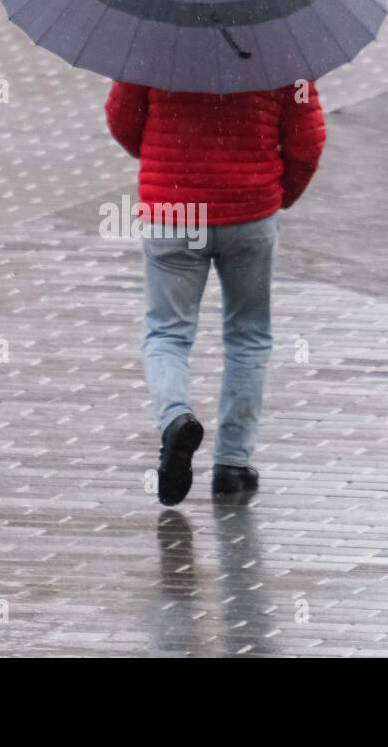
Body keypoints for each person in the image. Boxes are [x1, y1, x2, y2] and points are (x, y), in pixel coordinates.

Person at [105, 80, 326, 506]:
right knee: (248, 335)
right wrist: (281, 195)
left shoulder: (156, 30)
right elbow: (307, 139)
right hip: (250, 209)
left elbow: (122, 120)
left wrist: (161, 161)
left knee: (167, 334)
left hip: (173, 209)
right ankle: (232, 464)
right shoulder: (279, 39)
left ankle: (175, 420)